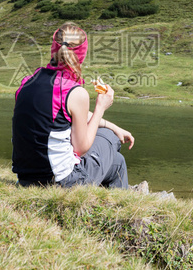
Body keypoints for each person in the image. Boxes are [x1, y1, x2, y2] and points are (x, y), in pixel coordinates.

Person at [12, 22, 134, 188]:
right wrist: (100, 108)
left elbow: (62, 114)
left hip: (26, 178)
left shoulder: (27, 82)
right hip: (61, 181)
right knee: (109, 138)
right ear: (81, 55)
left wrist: (115, 127)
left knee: (117, 162)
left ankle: (111, 203)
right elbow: (80, 148)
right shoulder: (75, 92)